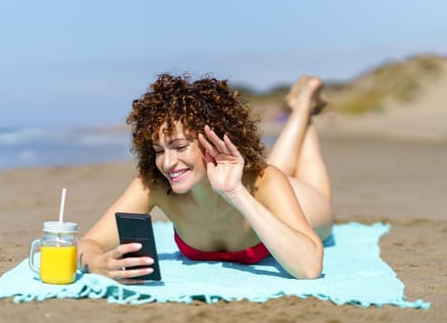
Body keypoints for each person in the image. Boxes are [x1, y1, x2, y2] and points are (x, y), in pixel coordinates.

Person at [78, 73, 333, 280]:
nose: (167, 163)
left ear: (214, 140)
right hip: (254, 181)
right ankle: (303, 106)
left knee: (279, 172)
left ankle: (303, 107)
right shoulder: (154, 184)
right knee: (274, 168)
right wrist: (97, 263)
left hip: (304, 203)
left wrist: (234, 192)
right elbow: (88, 243)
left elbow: (309, 268)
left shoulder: (266, 181)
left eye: (179, 147)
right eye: (158, 150)